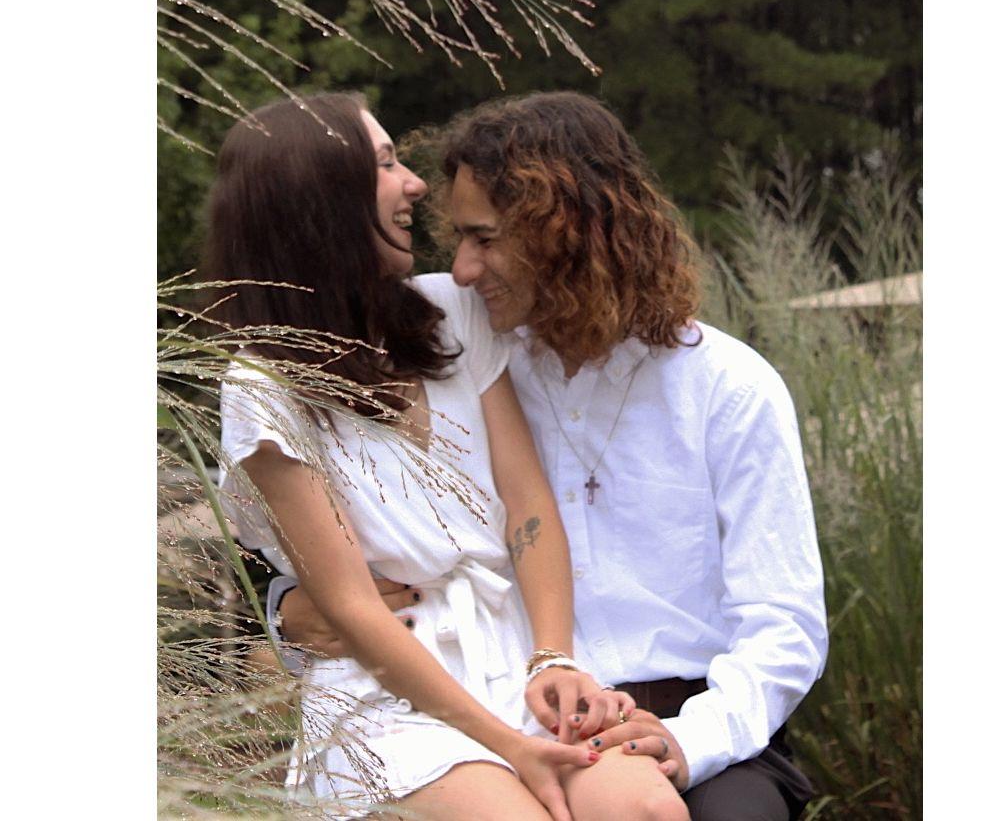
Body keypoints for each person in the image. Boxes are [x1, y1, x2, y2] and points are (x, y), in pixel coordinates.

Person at [275, 91, 829, 820]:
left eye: (485, 239)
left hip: (694, 720)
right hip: (507, 715)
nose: (462, 269)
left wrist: (689, 740)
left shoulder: (729, 388)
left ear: (568, 233)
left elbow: (784, 624)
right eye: (458, 239)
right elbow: (320, 479)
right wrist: (287, 606)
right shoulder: (453, 352)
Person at [207, 92, 690, 821]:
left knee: (645, 809)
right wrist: (510, 747)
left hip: (514, 654)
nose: (414, 184)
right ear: (322, 198)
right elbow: (350, 608)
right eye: (386, 163)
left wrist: (554, 657)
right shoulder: (265, 385)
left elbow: (527, 506)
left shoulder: (450, 313)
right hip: (390, 691)